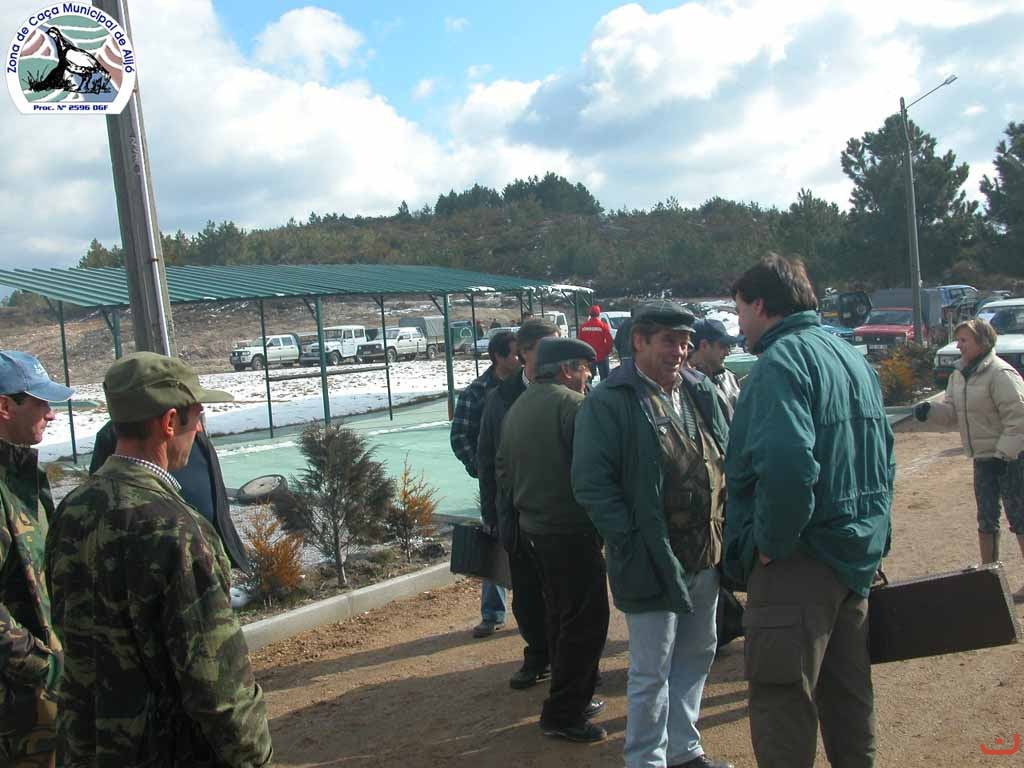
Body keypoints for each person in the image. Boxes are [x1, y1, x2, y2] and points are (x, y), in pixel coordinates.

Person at [47, 352, 273, 767]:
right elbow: (217, 686)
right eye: (197, 416)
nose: (199, 429)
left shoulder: (72, 510)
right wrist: (255, 757)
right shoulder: (177, 530)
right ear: (169, 422)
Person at [723, 254, 894, 768]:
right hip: (853, 558)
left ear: (760, 305)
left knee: (782, 702)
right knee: (848, 696)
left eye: (740, 311)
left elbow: (789, 465)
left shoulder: (780, 364)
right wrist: (874, 537)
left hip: (799, 561)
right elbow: (884, 455)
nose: (739, 324)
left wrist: (771, 544)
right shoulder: (850, 357)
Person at [573, 301, 733, 768]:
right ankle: (646, 759)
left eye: (684, 342)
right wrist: (631, 540)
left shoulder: (699, 391)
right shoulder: (610, 401)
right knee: (651, 670)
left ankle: (684, 750)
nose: (679, 351)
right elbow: (591, 485)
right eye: (669, 341)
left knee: (697, 654)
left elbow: (726, 453)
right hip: (651, 559)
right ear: (639, 341)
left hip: (706, 552)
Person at [497, 337, 608, 743]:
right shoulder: (574, 406)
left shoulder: (518, 407)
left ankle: (570, 698)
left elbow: (502, 470)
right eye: (584, 367)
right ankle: (565, 713)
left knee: (561, 617)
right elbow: (594, 472)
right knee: (585, 623)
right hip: (572, 530)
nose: (588, 375)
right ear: (565, 369)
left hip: (536, 529)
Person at [914, 318, 1024, 598]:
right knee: (986, 519)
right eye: (958, 340)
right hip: (983, 458)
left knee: (1020, 519)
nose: (959, 346)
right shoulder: (959, 375)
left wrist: (1004, 454)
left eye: (965, 340)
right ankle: (990, 580)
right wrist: (930, 411)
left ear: (983, 342)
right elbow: (952, 413)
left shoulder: (1001, 374)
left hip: (1012, 459)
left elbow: (1019, 419)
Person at [0, 351, 73, 768]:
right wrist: (47, 668)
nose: (51, 413)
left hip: (39, 709)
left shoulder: (19, 476)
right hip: (16, 717)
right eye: (40, 402)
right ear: (5, 406)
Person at [477, 319, 558, 689]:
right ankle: (538, 655)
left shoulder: (571, 389)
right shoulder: (500, 399)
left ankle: (573, 662)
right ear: (524, 352)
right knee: (526, 595)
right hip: (519, 514)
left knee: (568, 594)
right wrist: (492, 514)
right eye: (545, 348)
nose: (554, 356)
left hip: (565, 515)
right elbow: (487, 458)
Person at [89, 418, 250, 571]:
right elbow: (100, 506)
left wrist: (231, 552)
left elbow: (217, 501)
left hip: (207, 559)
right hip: (156, 565)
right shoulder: (119, 435)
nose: (199, 426)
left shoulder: (194, 434)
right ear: (169, 419)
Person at [449, 330, 520, 637]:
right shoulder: (476, 393)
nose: (521, 358)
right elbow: (460, 437)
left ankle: (541, 608)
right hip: (495, 484)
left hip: (528, 478)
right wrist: (480, 467)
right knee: (495, 541)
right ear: (498, 357)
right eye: (516, 353)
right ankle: (492, 614)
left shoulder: (528, 387)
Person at [689, 318, 742, 424]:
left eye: (729, 347)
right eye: (723, 346)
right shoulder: (682, 384)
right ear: (704, 345)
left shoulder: (730, 379)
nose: (727, 353)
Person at [578, 304, 615, 382]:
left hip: (588, 356)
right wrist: (607, 351)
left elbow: (580, 341)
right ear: (599, 314)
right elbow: (609, 341)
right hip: (601, 356)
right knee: (605, 379)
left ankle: (588, 389)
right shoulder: (603, 326)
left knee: (588, 378)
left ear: (590, 314)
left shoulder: (583, 327)